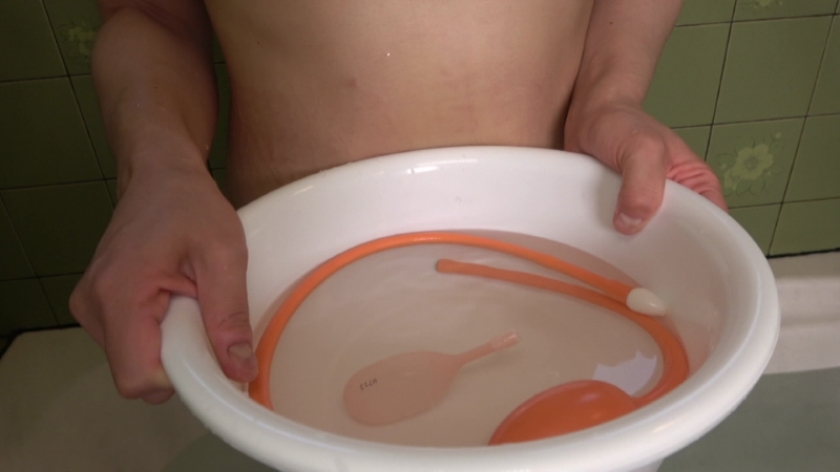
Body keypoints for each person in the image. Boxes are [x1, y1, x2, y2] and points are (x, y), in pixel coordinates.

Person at [69, 0, 726, 405]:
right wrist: (158, 166)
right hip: (295, 297)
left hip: (555, 276)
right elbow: (152, 14)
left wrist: (611, 94)